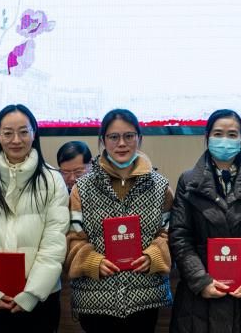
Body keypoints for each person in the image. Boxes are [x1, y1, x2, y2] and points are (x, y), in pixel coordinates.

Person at [0, 104, 69, 332]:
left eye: (24, 132)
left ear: (34, 133)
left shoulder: (52, 180)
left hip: (40, 301)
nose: (16, 140)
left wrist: (32, 294)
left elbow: (54, 243)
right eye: (8, 133)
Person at [169, 109, 241, 333]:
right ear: (207, 136)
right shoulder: (188, 181)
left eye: (232, 135)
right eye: (218, 134)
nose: (225, 140)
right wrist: (201, 280)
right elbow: (180, 237)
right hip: (200, 297)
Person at [64, 109, 173, 332]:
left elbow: (169, 233)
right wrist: (92, 261)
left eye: (129, 136)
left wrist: (154, 255)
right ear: (103, 140)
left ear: (139, 139)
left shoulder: (160, 187)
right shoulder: (81, 189)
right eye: (113, 137)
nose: (121, 143)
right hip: (94, 300)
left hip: (145, 299)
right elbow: (72, 237)